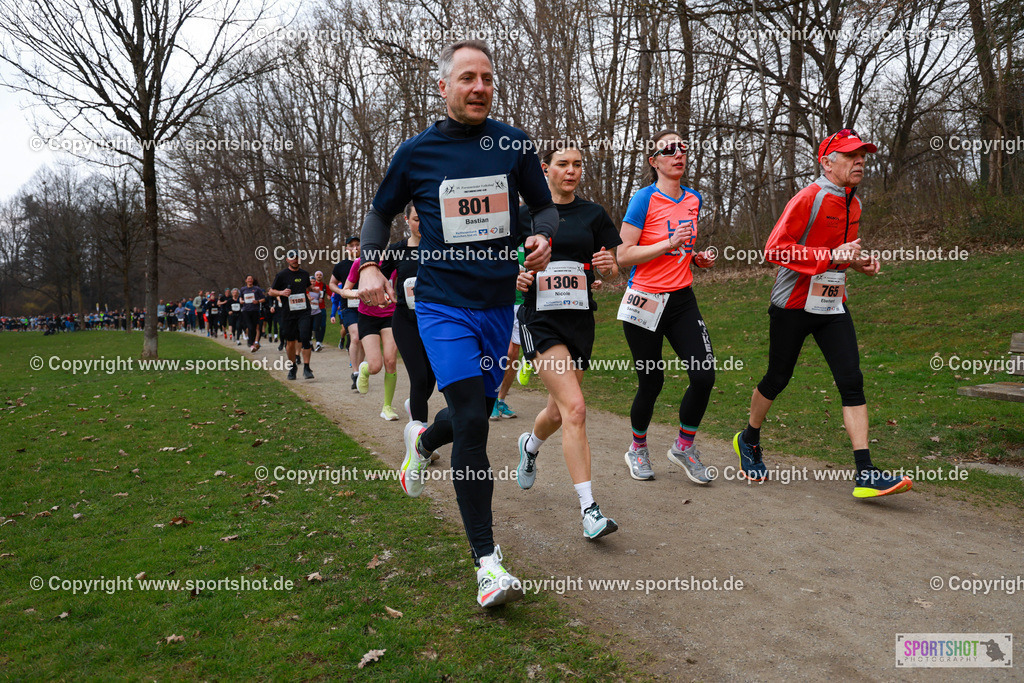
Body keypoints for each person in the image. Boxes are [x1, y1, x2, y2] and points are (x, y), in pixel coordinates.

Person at [357, 40, 557, 608]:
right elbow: (380, 211)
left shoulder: (513, 144)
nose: (479, 87)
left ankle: (421, 442)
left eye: (487, 78)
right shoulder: (417, 152)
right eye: (467, 78)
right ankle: (487, 564)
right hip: (441, 305)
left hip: (497, 306)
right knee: (472, 421)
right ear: (443, 86)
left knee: (468, 416)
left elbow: (543, 206)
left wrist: (543, 235)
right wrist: (370, 263)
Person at [733, 129, 912, 499]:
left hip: (831, 303)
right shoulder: (809, 197)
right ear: (827, 163)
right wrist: (831, 256)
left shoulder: (854, 203)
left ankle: (866, 472)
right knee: (777, 378)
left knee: (851, 380)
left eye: (862, 155)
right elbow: (774, 249)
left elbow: (839, 251)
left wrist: (858, 263)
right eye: (850, 156)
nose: (859, 161)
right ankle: (748, 438)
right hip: (792, 304)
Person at [514, 144, 622, 539]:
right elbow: (501, 264)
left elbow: (609, 268)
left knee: (559, 413)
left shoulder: (593, 214)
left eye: (577, 164)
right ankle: (590, 510)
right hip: (540, 321)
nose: (571, 171)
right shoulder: (524, 216)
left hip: (580, 322)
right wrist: (515, 278)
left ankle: (530, 446)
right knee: (576, 408)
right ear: (545, 169)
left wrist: (609, 269)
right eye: (563, 164)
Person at [617, 129, 717, 485]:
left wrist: (696, 258)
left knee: (704, 375)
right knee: (652, 380)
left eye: (683, 148)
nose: (679, 154)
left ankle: (684, 447)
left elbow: (682, 249)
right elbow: (624, 254)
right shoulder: (643, 199)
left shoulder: (694, 198)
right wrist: (667, 244)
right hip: (644, 300)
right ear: (654, 161)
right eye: (669, 149)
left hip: (681, 300)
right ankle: (638, 448)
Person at [380, 203, 438, 426]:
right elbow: (380, 277)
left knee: (433, 377)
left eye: (425, 218)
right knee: (419, 377)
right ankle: (419, 435)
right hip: (406, 320)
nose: (421, 224)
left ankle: (414, 404)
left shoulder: (439, 248)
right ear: (406, 220)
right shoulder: (396, 250)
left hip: (434, 320)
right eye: (416, 219)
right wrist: (386, 292)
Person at [341, 255, 400, 420]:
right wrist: (359, 294)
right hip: (367, 317)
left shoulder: (393, 260)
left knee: (391, 361)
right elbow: (345, 291)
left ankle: (387, 407)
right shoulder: (360, 263)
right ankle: (364, 370)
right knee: (375, 366)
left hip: (390, 316)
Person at [267, 251, 315, 380]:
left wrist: (312, 290)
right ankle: (293, 366)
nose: (295, 260)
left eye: (297, 258)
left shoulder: (304, 274)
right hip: (288, 313)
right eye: (292, 258)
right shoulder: (281, 275)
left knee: (305, 337)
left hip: (304, 311)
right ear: (287, 260)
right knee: (290, 341)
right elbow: (271, 291)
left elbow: (307, 287)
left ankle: (307, 367)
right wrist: (281, 293)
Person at [330, 239, 364, 391]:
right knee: (355, 337)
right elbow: (331, 283)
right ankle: (355, 373)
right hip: (348, 307)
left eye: (357, 245)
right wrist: (341, 292)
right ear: (346, 249)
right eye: (351, 246)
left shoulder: (367, 262)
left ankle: (361, 372)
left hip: (366, 305)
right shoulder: (341, 266)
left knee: (363, 338)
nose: (355, 248)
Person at [240, 275, 266, 352]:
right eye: (248, 279)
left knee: (255, 327)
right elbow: (240, 297)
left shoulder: (257, 289)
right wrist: (241, 301)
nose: (250, 280)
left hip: (255, 310)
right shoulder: (243, 289)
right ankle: (251, 343)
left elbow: (263, 299)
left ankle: (253, 342)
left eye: (251, 279)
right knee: (250, 327)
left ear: (253, 280)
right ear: (246, 280)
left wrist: (258, 301)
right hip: (246, 310)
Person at [309, 271, 328, 351]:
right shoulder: (305, 289)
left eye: (314, 281)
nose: (313, 283)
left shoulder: (319, 289)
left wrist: (321, 299)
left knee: (318, 327)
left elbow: (321, 297)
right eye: (311, 281)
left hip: (318, 310)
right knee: (309, 327)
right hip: (309, 312)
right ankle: (310, 343)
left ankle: (318, 343)